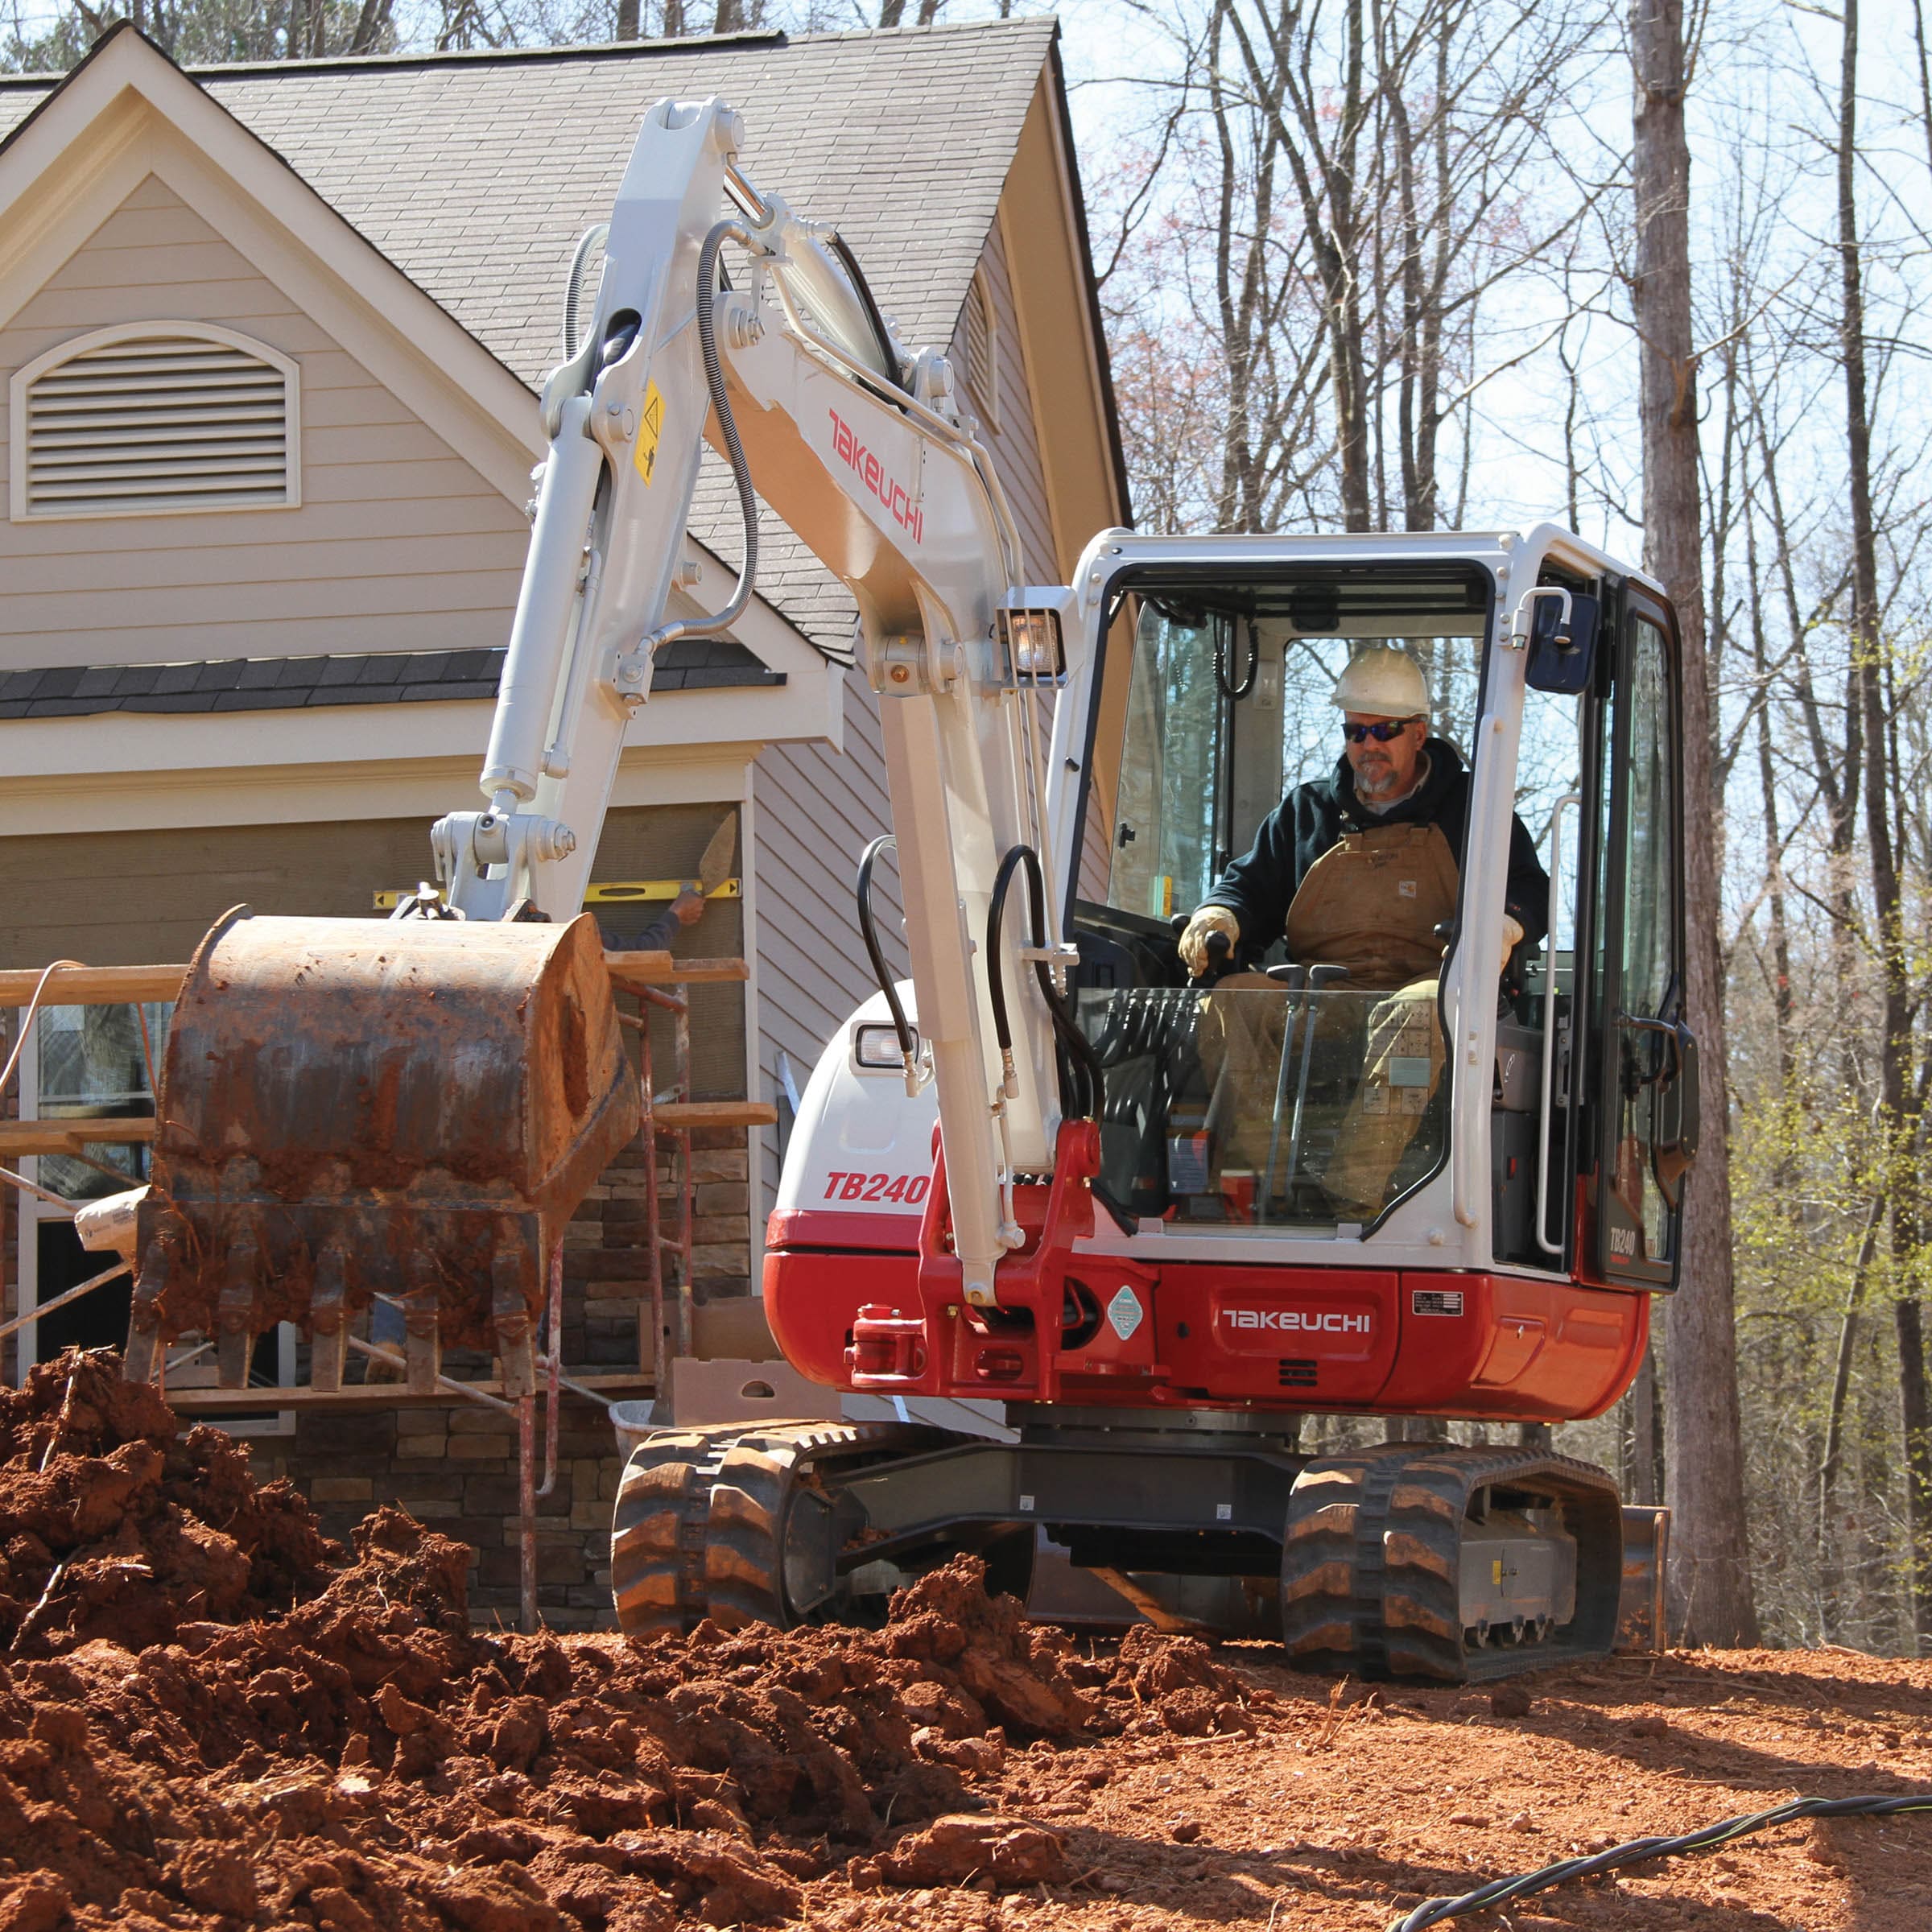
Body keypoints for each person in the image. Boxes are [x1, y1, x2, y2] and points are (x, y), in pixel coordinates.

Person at [1177, 647, 1547, 1219]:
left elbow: (1529, 889)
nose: (1367, 746)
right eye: (1355, 732)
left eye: (1383, 730)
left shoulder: (1473, 810)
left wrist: (1504, 925)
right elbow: (1248, 887)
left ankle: (1348, 1200)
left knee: (1423, 1012)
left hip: (1426, 990)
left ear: (1419, 734)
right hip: (1323, 1000)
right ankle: (1262, 1185)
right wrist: (1220, 914)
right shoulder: (1308, 813)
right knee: (1235, 999)